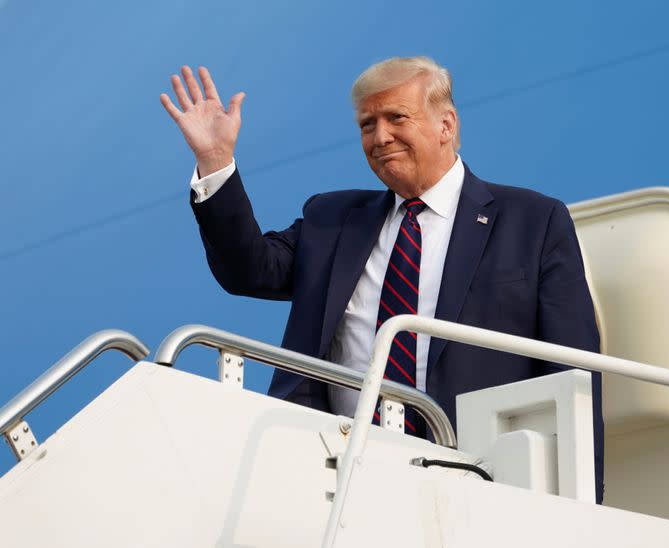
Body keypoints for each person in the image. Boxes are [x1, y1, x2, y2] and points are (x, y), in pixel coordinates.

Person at [161, 57, 604, 502]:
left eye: (396, 118)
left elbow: (575, 373)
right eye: (367, 124)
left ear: (446, 125)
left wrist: (584, 505)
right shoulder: (333, 220)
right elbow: (249, 270)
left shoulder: (532, 222)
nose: (380, 137)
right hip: (334, 476)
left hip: (474, 480)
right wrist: (215, 161)